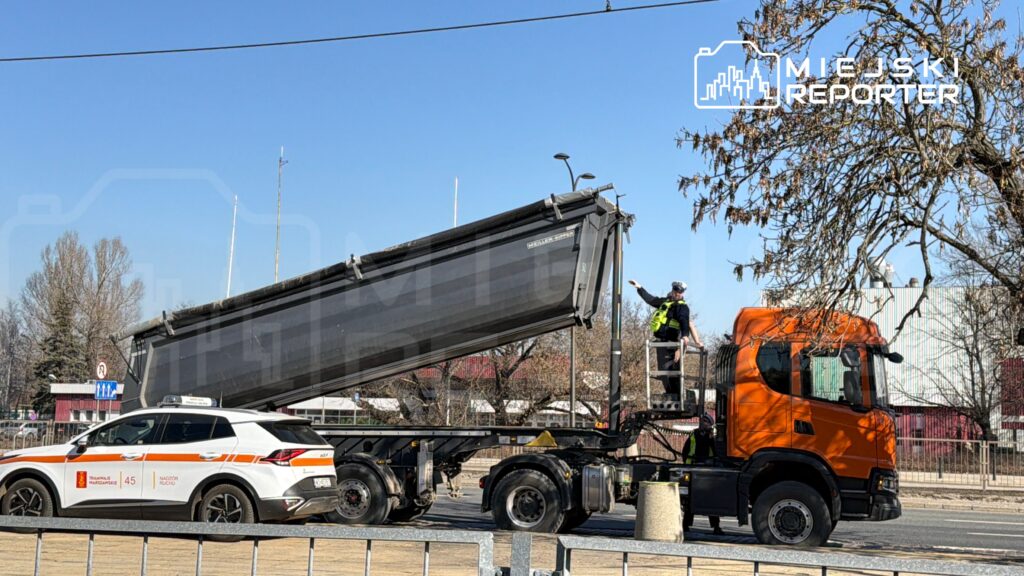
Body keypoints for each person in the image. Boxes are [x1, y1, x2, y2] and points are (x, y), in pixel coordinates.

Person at [629, 279, 704, 397]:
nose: (676, 293)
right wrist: (639, 288)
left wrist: (685, 336)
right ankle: (670, 393)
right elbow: (651, 299)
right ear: (672, 290)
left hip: (672, 343)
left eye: (679, 292)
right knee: (663, 371)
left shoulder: (682, 307)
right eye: (675, 290)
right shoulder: (665, 302)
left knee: (671, 370)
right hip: (661, 343)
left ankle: (676, 394)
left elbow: (685, 322)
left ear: (682, 293)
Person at [683, 412, 723, 535]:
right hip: (694, 468)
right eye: (702, 421)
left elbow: (716, 452)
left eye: (706, 422)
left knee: (710, 499)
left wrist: (712, 437)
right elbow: (685, 450)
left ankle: (716, 527)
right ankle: (685, 526)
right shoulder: (694, 434)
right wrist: (687, 463)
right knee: (691, 499)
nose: (703, 423)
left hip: (707, 469)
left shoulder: (711, 436)